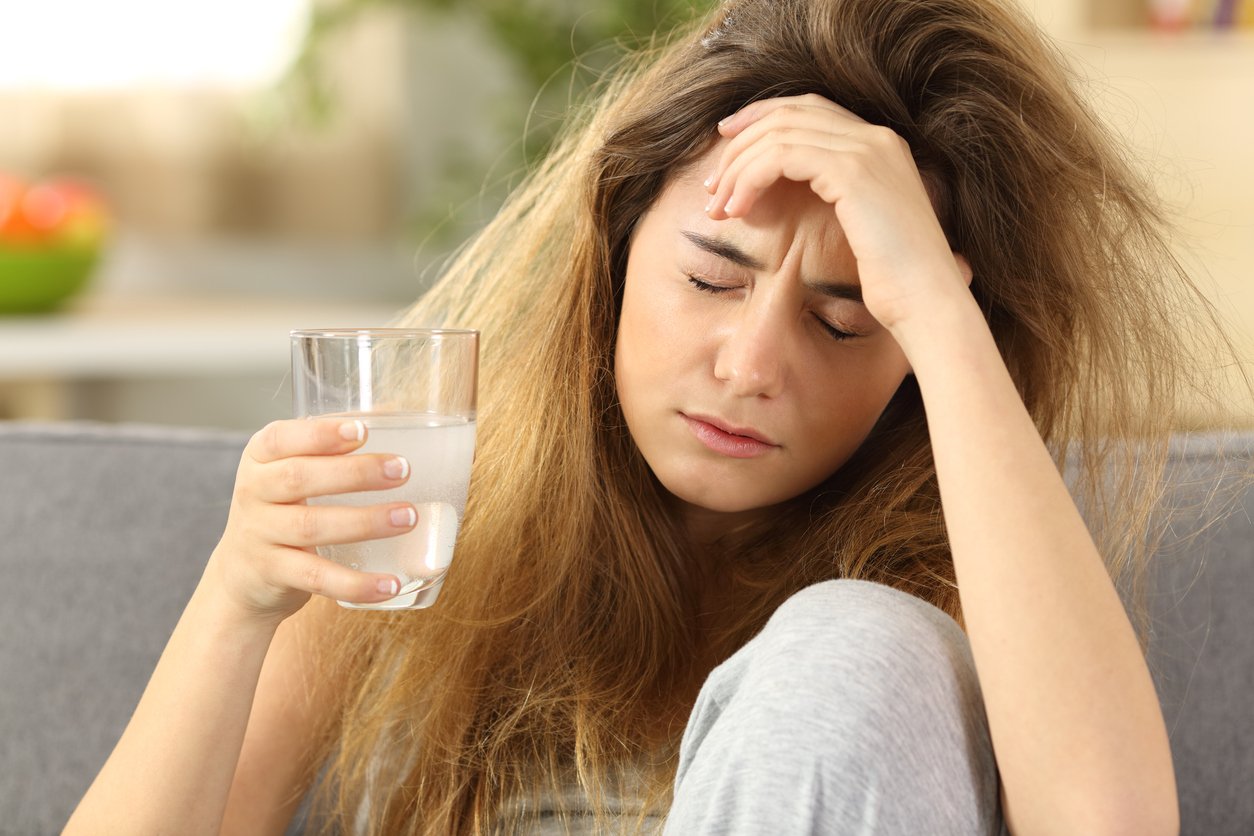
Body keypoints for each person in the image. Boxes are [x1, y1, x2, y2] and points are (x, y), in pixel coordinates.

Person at [66, 0, 1238, 833]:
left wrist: (931, 296)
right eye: (712, 277)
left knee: (861, 643)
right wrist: (237, 597)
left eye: (846, 319)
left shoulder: (967, 597)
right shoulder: (421, 533)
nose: (750, 362)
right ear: (615, 253)